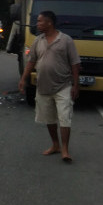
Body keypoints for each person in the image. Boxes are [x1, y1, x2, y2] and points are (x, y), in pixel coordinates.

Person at [19, 10, 80, 163]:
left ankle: (65, 149)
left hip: (63, 86)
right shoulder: (38, 41)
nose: (37, 24)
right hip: (43, 87)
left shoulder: (66, 40)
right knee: (49, 118)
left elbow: (75, 64)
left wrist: (76, 85)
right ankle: (55, 145)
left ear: (49, 23)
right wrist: (23, 79)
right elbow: (31, 61)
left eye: (40, 21)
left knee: (64, 118)